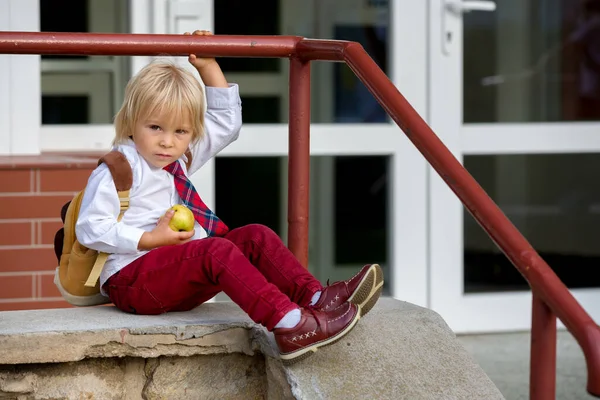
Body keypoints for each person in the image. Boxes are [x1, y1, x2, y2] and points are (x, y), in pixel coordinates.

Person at [75, 30, 384, 364]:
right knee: (215, 250)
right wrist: (150, 238)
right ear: (132, 122)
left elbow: (226, 123)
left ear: (191, 132)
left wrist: (208, 66)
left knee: (255, 235)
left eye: (180, 131)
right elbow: (90, 227)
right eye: (155, 128)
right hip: (133, 282)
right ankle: (290, 324)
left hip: (174, 278)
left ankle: (316, 297)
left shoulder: (177, 159)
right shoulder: (119, 169)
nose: (167, 142)